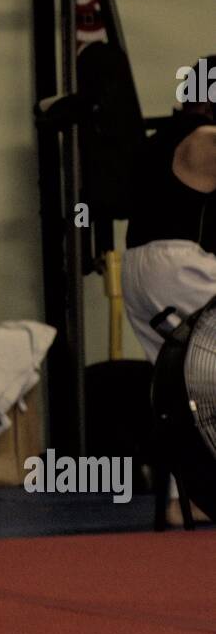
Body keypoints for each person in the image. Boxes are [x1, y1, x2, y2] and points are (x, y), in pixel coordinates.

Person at [122, 55, 216, 522]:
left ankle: (188, 501)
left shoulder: (160, 141)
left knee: (186, 391)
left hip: (140, 268)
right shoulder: (205, 140)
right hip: (177, 267)